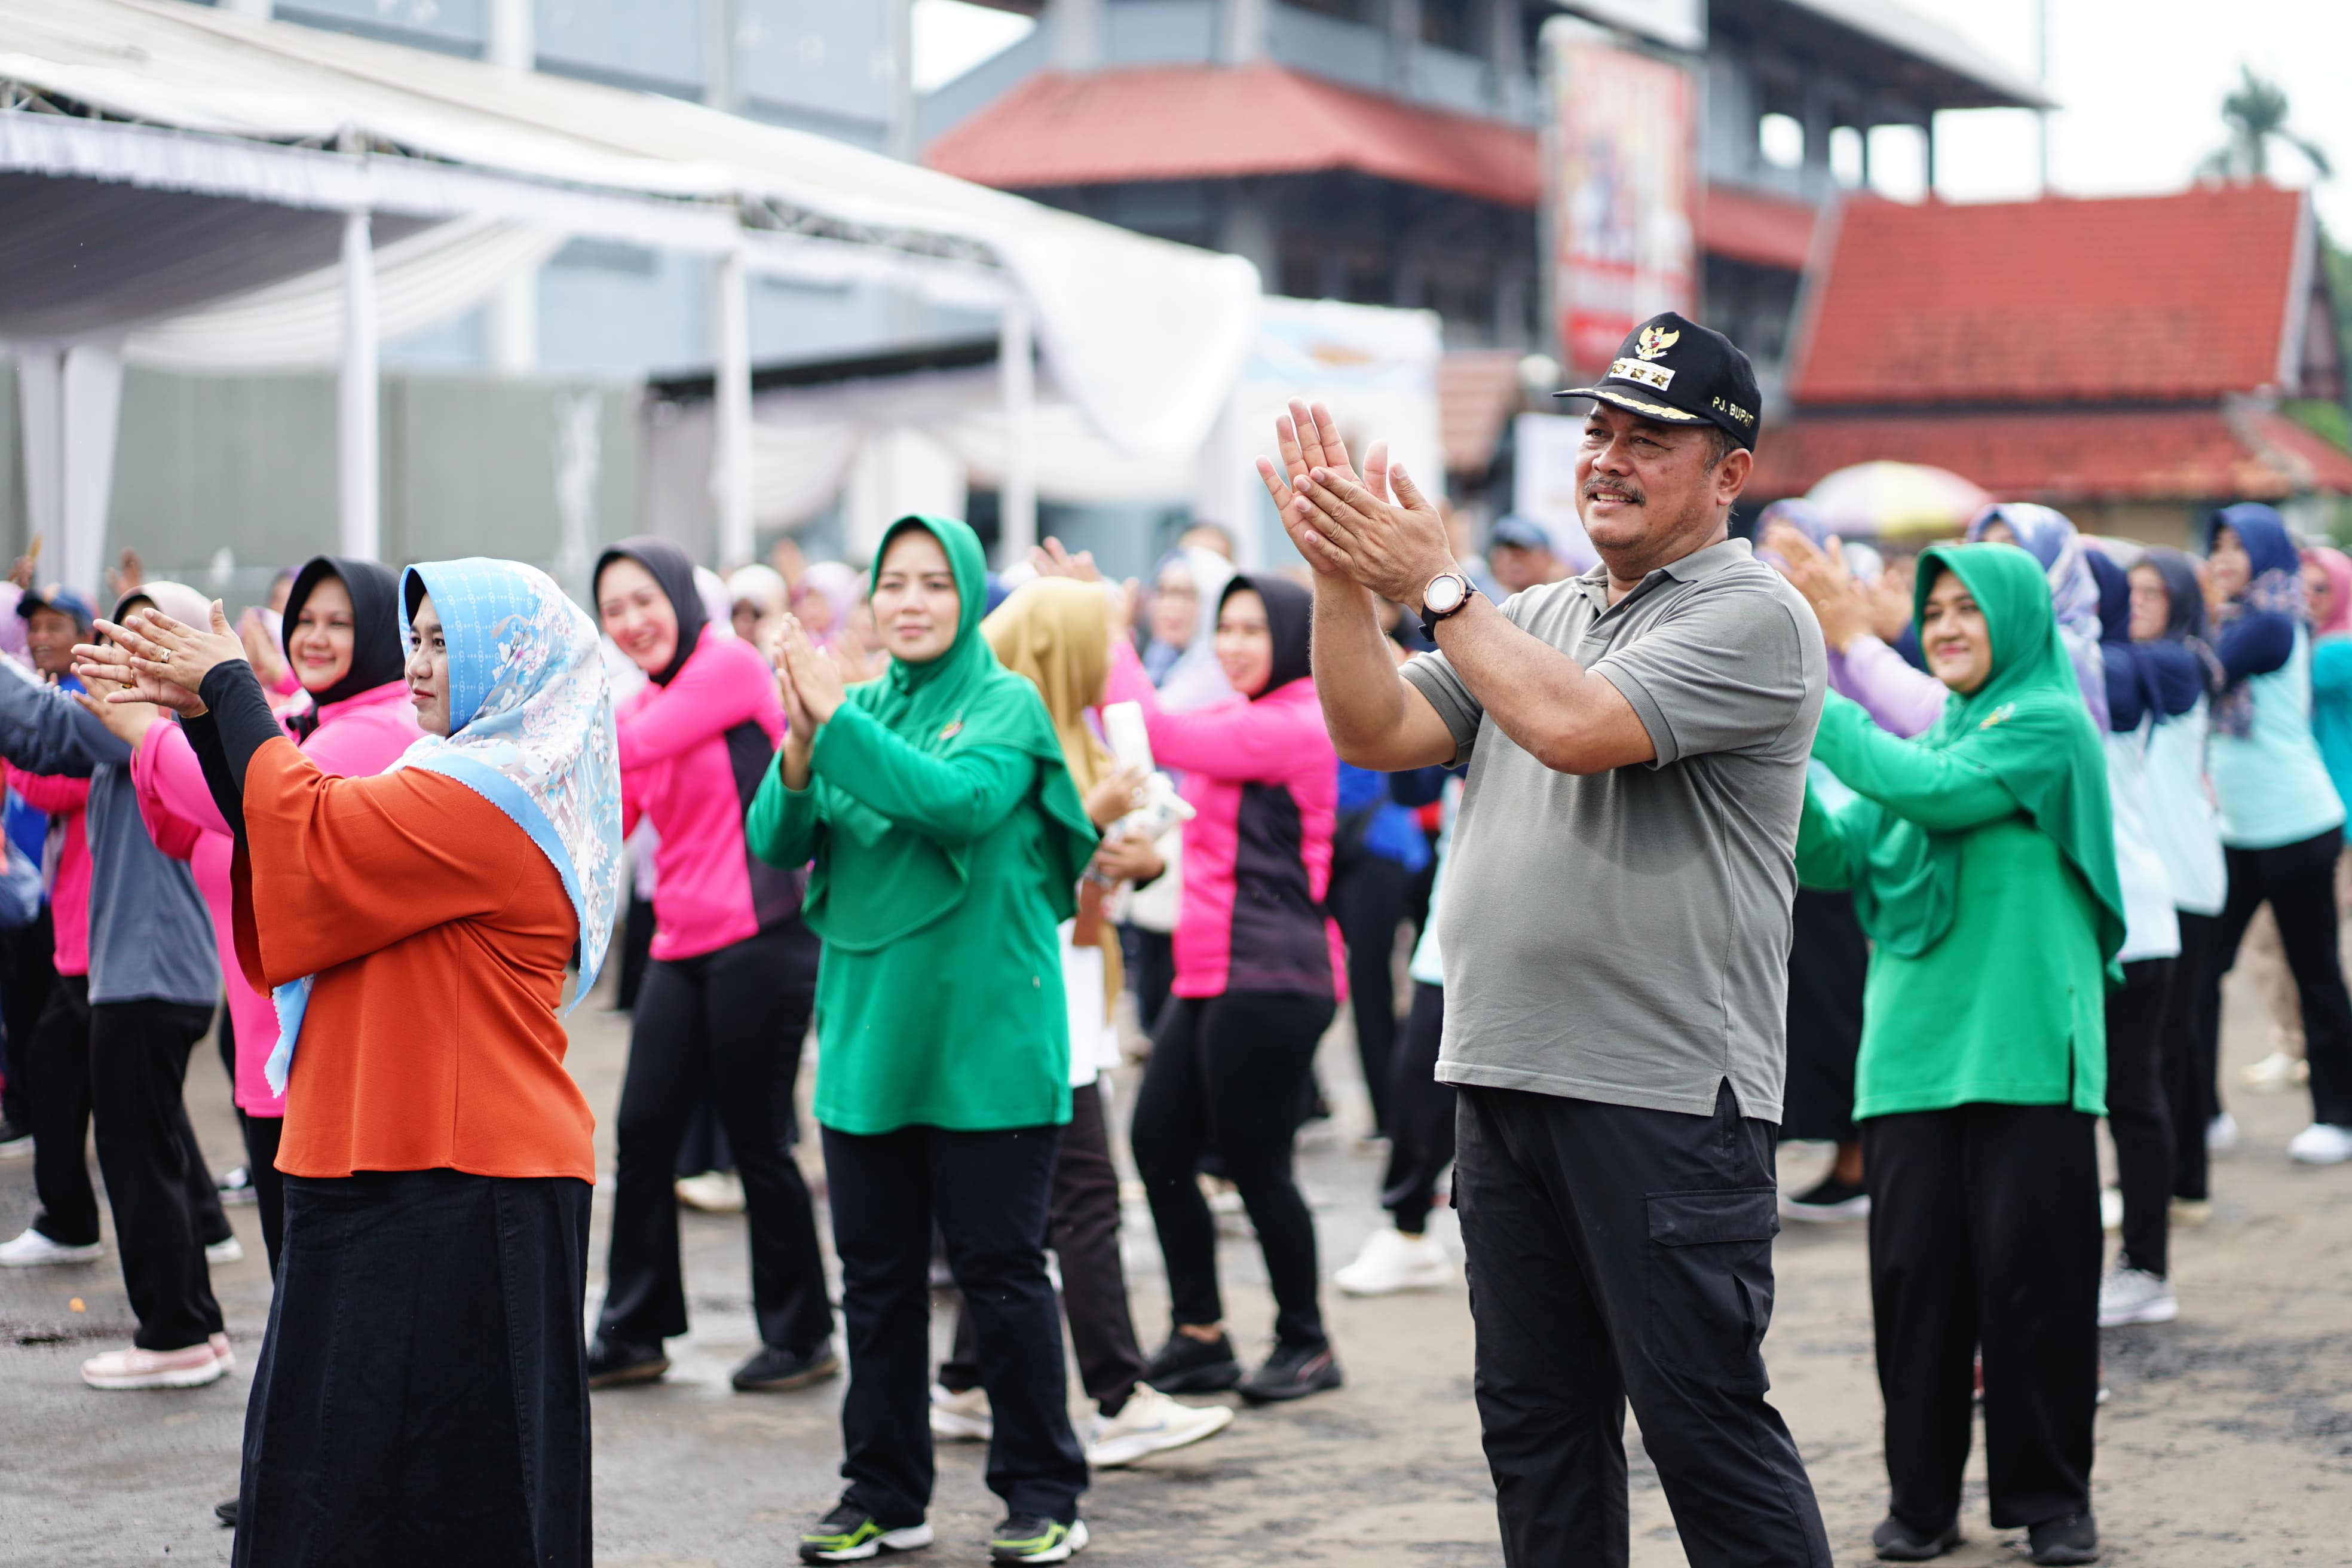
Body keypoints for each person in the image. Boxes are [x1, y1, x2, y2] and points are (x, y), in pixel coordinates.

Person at [1270, 311, 1832, 1566]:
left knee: (1704, 1432)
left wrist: (1436, 587)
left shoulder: (1757, 615)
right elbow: (1374, 729)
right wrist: (1338, 577)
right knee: (1537, 1429)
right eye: (1600, 432)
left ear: (1731, 474)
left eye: (1651, 440)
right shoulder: (1540, 611)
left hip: (1663, 1092)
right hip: (1505, 1072)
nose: (1609, 460)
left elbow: (1577, 727)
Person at [84, 558, 620, 1567]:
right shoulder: (450, 773)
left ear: (515, 660)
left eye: (446, 643)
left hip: (473, 1179)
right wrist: (206, 715)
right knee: (337, 1477)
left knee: (457, 1500)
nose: (418, 663)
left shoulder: (495, 794)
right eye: (415, 639)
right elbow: (298, 846)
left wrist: (231, 690)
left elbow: (319, 832)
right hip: (392, 1159)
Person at [746, 515, 1098, 1567]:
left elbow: (958, 801)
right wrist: (802, 738)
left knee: (1002, 1274)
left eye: (935, 583)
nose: (910, 602)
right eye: (893, 583)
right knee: (877, 1282)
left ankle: (1043, 1492)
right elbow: (776, 838)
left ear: (970, 595)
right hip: (871, 1041)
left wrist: (833, 722)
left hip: (989, 1043)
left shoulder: (1004, 702)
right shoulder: (851, 710)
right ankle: (884, 1491)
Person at [1796, 542, 2120, 1566]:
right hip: (1909, 1059)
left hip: (2027, 1048)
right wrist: (1765, 762)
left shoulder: (2048, 724)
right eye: (1932, 611)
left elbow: (1932, 791)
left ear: (2017, 619)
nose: (1944, 628)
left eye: (1967, 609)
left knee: (2038, 1286)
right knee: (1916, 1291)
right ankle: (1922, 1500)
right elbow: (1831, 854)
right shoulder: (1932, 736)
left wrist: (1806, 693)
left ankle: (2051, 1500)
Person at [927, 575, 1233, 1469]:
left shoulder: (1070, 731)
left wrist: (1133, 860)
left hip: (1069, 994)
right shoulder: (1013, 743)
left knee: (1027, 1204)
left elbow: (1100, 871)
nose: (1112, 656)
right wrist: (1095, 835)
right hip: (1035, 1001)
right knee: (1084, 1197)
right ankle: (1118, 1398)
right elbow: (1009, 881)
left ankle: (966, 1382)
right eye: (1098, 638)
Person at [586, 538, 836, 1395]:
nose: (631, 622)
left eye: (643, 600)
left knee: (758, 1137)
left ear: (681, 598)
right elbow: (611, 815)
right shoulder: (646, 702)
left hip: (763, 937)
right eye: (613, 610)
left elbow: (627, 747)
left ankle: (802, 1333)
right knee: (643, 1134)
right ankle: (635, 1329)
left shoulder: (726, 667)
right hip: (681, 943)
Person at [127, 558, 420, 1278]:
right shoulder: (299, 722)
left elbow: (255, 803)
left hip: (328, 1059)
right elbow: (184, 825)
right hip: (269, 1041)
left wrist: (147, 730)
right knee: (295, 1276)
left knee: (321, 1283)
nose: (315, 637)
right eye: (304, 620)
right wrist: (183, 718)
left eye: (339, 622)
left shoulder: (377, 729)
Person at [1104, 568, 1348, 1405]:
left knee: (1256, 1163)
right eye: (1226, 629)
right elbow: (1153, 752)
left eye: (1253, 629)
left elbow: (1157, 731)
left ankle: (1306, 1341)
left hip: (1273, 973)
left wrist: (1109, 631)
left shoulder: (1297, 718)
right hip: (1212, 972)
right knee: (1159, 1146)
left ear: (1294, 640)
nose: (1235, 645)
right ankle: (1200, 1336)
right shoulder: (1243, 715)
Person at [0, 583, 228, 1389]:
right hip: (147, 975)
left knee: (139, 1164)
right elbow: (42, 740)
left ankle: (176, 1335)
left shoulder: (153, 721)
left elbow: (42, 727)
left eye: (143, 638)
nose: (121, 652)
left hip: (147, 977)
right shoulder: (146, 723)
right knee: (149, 1155)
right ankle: (195, 1326)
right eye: (117, 636)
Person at [2196, 505, 2352, 1163]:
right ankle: (2202, 1113)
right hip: (2237, 829)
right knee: (2200, 971)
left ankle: (2338, 1117)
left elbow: (2200, 676)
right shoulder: (2236, 618)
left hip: (2295, 825)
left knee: (2314, 971)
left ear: (2265, 553)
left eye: (2238, 546)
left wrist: (2188, 618)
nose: (2224, 559)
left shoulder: (2269, 622)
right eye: (2217, 546)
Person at [2085, 548, 2200, 1330]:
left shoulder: (2116, 670)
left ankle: (2147, 1269)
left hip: (2131, 921)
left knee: (2131, 1099)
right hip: (2103, 918)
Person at [2128, 549, 2231, 1226]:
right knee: (2172, 1037)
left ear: (2182, 603)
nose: (2136, 603)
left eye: (2152, 593)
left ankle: (2181, 1180)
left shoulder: (2179, 661)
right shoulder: (2158, 661)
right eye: (2130, 591)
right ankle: (2179, 1179)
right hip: (2161, 870)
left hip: (2184, 874)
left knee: (2173, 1039)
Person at [1335, 772, 1460, 1296]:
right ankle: (1409, 1234)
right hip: (1452, 942)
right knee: (1418, 1090)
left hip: (1548, 946)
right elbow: (1414, 783)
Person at [1486, 516, 1568, 596]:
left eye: (1523, 551)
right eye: (1506, 552)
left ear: (1548, 558)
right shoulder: (1484, 595)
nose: (1513, 559)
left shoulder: (1564, 595)